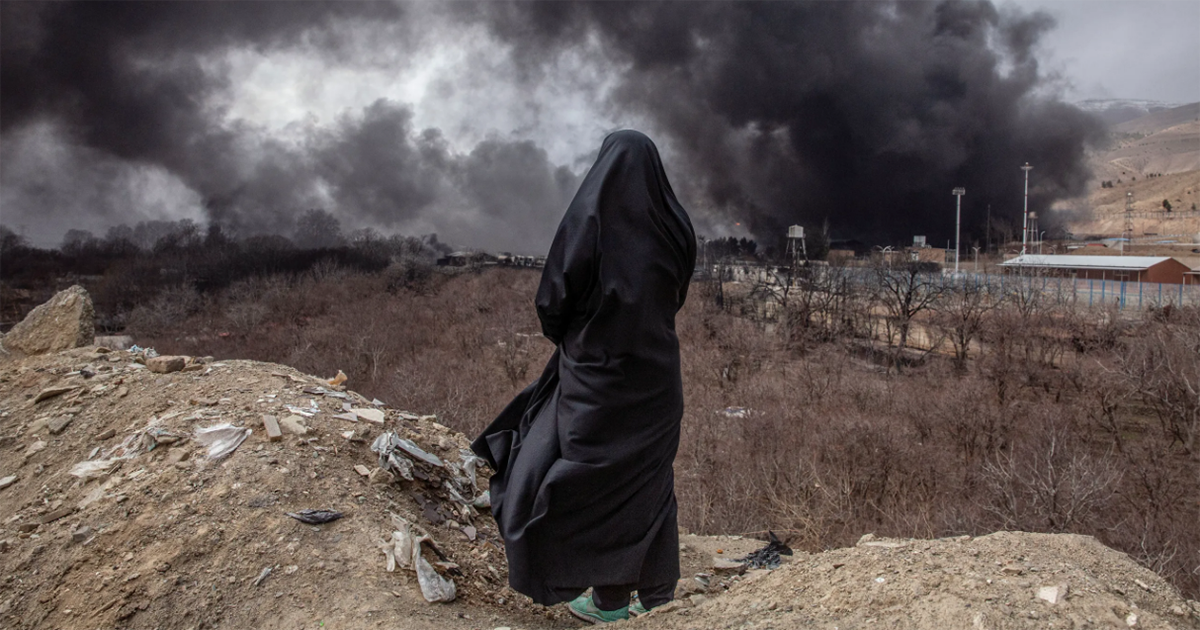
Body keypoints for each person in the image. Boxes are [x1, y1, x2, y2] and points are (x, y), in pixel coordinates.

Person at [471, 129, 696, 623]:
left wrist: (580, 338)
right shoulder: (677, 227)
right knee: (646, 482)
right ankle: (648, 597)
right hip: (657, 379)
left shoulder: (588, 221)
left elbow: (552, 301)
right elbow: (676, 297)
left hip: (598, 380)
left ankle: (604, 598)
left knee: (586, 480)